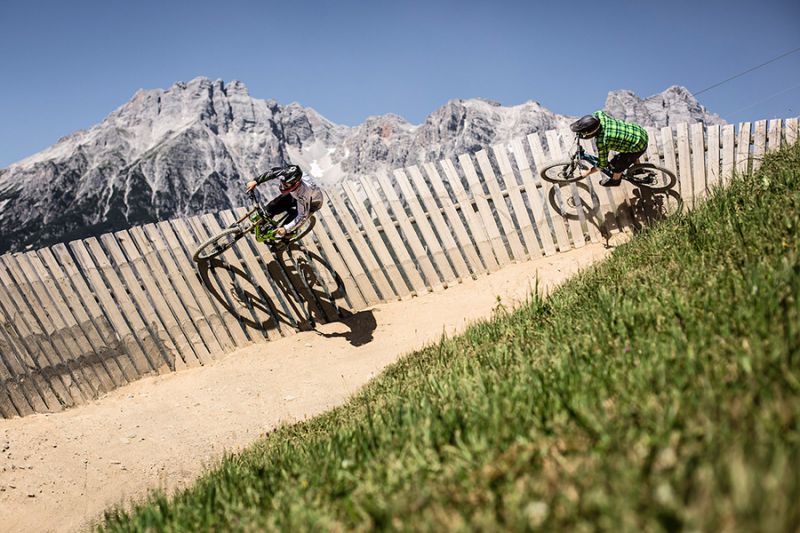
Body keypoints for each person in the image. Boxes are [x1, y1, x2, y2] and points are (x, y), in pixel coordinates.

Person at [570, 111, 649, 187]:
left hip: (639, 146)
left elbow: (602, 165)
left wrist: (587, 172)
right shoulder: (599, 115)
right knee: (624, 155)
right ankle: (638, 168)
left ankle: (616, 181)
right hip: (639, 132)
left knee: (617, 166)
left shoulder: (603, 141)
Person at [245, 164, 323, 237]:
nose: (282, 186)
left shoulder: (303, 193)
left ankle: (285, 241)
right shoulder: (287, 173)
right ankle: (261, 223)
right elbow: (273, 173)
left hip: (312, 202)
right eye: (282, 183)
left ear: (295, 183)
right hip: (295, 193)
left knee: (287, 227)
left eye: (286, 185)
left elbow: (302, 216)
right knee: (273, 206)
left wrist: (286, 229)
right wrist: (256, 181)